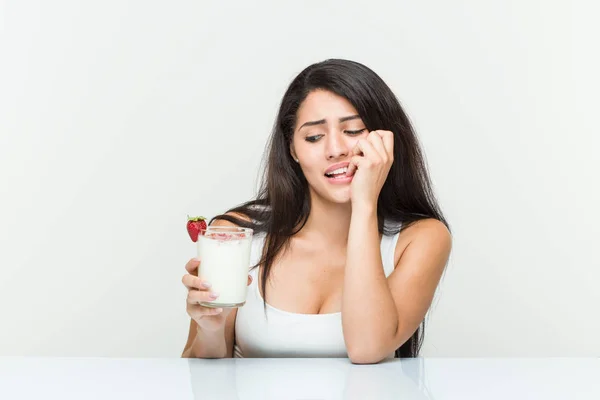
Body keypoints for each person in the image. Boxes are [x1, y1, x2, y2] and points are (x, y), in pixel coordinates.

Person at [181, 58, 452, 364]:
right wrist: (211, 329)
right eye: (313, 137)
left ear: (385, 140)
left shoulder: (422, 239)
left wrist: (364, 204)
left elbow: (367, 349)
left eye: (354, 130)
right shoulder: (234, 234)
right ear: (293, 150)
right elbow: (203, 375)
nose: (335, 149)